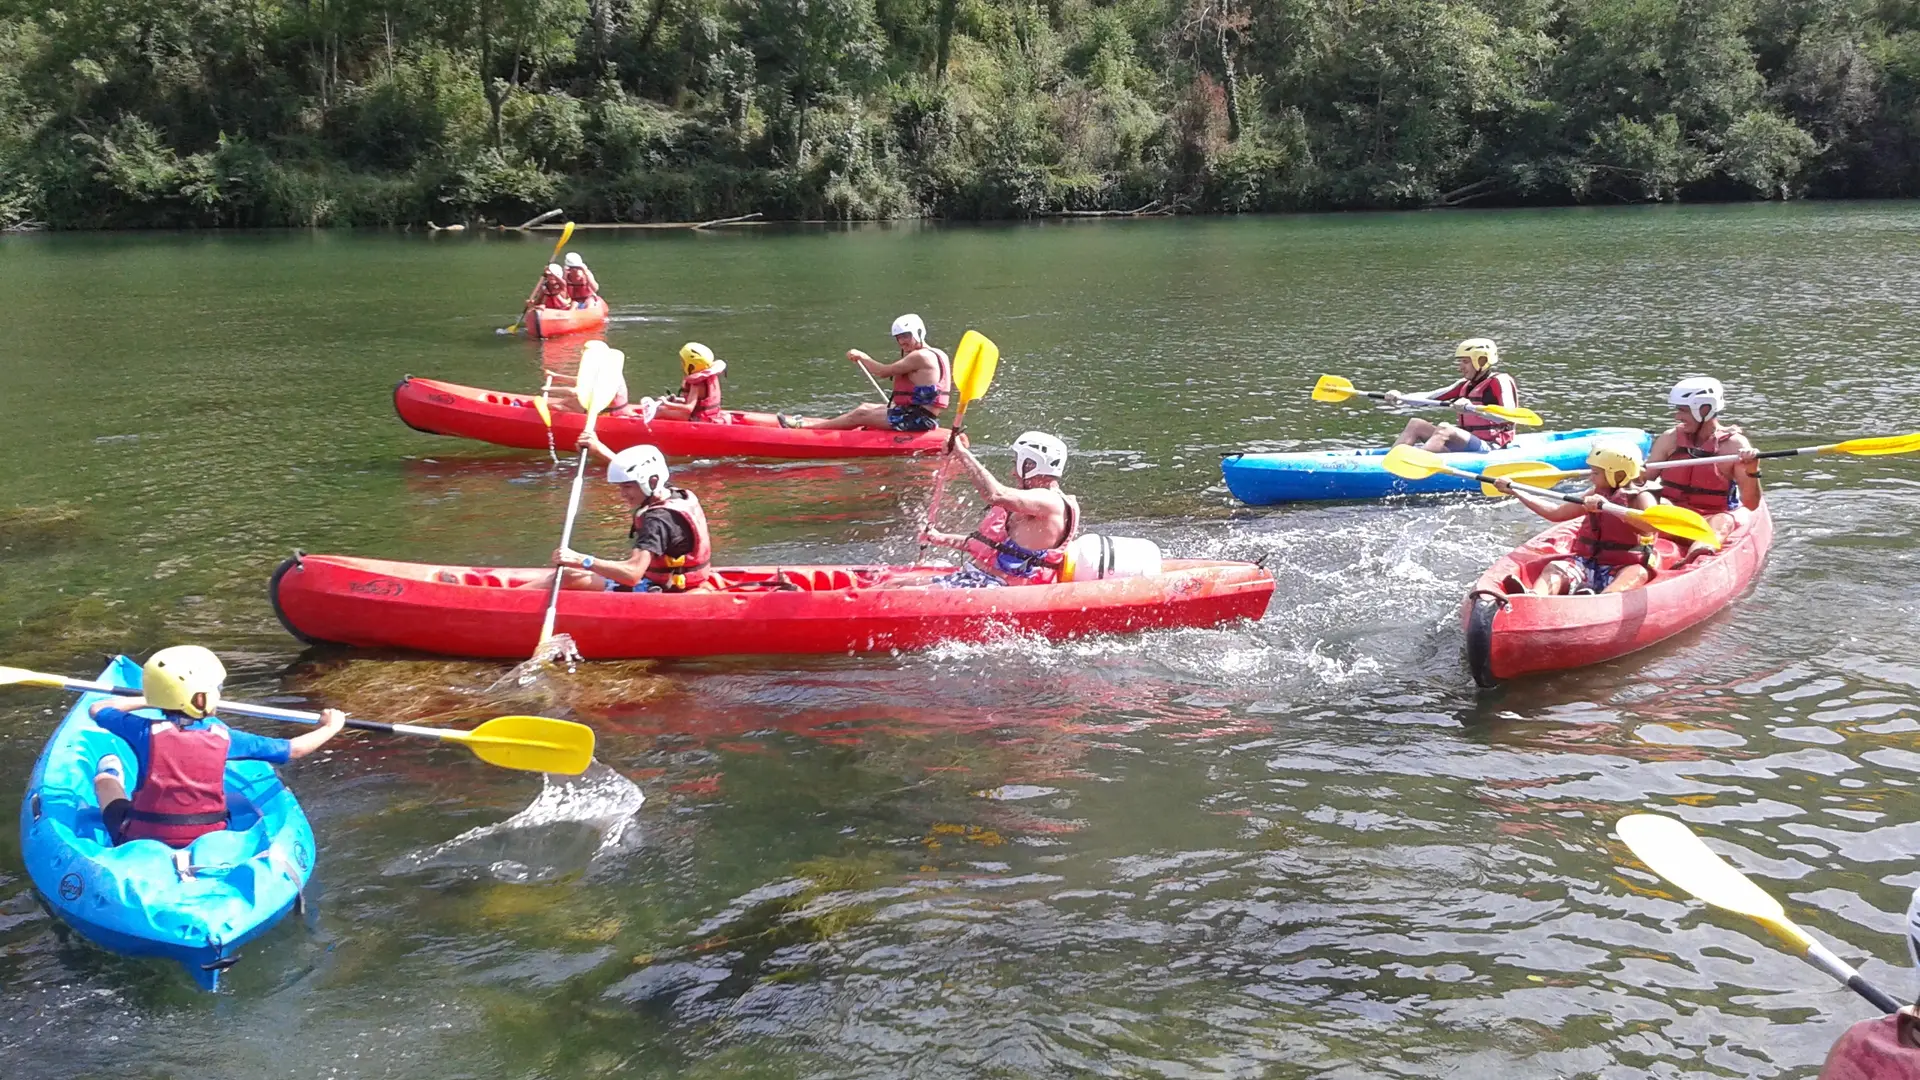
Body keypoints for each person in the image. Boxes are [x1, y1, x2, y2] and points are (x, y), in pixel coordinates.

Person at [88, 646, 347, 849]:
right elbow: (294, 750)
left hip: (138, 837)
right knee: (233, 799)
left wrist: (147, 700)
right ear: (203, 698)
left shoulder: (143, 731)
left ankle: (111, 771)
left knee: (103, 781)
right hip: (210, 835)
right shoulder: (226, 737)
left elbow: (98, 709)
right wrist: (330, 727)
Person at [542, 436, 716, 593]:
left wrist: (582, 560)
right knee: (571, 575)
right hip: (686, 583)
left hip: (663, 591)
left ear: (650, 481)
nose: (622, 494)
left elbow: (632, 575)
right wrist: (599, 449)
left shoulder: (656, 520)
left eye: (626, 487)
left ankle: (514, 602)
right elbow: (636, 473)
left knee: (567, 577)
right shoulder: (671, 493)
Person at [1490, 442, 1661, 595]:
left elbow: (1650, 526)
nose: (1590, 477)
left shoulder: (1641, 497)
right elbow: (1556, 513)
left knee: (1637, 573)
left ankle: (1599, 602)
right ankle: (1534, 596)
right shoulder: (1596, 493)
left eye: (1595, 473)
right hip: (1586, 563)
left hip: (1623, 567)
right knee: (1555, 569)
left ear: (1617, 475)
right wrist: (1517, 491)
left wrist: (1612, 509)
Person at [920, 432, 1079, 588]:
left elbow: (995, 494)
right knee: (896, 584)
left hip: (997, 588)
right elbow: (987, 546)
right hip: (977, 578)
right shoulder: (1032, 501)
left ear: (1031, 464)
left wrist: (961, 452)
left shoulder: (1050, 501)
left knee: (903, 593)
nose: (1013, 472)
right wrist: (938, 537)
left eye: (1016, 463)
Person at [779, 314, 950, 432]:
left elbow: (883, 372)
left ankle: (805, 430)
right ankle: (816, 425)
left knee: (860, 414)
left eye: (906, 335)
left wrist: (862, 356)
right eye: (898, 337)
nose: (902, 341)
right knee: (865, 407)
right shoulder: (937, 353)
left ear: (919, 332)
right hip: (916, 415)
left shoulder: (920, 356)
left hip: (916, 421)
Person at [1649, 375, 1762, 551]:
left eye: (1683, 410)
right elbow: (1641, 480)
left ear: (1704, 409)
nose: (1677, 416)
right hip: (1672, 516)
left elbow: (1751, 503)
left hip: (1709, 520)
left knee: (1722, 520)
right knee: (1656, 503)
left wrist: (1752, 470)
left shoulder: (1734, 446)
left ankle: (1699, 554)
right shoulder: (1669, 438)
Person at [1386, 337, 1520, 452]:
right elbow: (1430, 397)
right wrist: (1401, 397)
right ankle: (1390, 463)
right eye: (1460, 361)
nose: (1460, 367)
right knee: (1416, 424)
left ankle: (1414, 465)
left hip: (1493, 446)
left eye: (1465, 362)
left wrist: (1475, 410)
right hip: (1468, 442)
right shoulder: (1465, 384)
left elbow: (1508, 415)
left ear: (1482, 361)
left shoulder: (1500, 381)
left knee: (1445, 428)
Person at [650, 342, 730, 424]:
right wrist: (675, 400)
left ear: (691, 365)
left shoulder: (697, 384)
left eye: (683, 362)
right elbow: (697, 402)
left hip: (700, 420)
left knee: (660, 411)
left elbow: (689, 408)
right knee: (668, 407)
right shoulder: (710, 377)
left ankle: (648, 427)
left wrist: (667, 404)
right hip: (712, 415)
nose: (681, 364)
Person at [543, 340, 629, 411]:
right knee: (569, 401)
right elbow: (582, 380)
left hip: (611, 410)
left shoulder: (605, 373)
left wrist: (548, 389)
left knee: (556, 407)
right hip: (611, 406)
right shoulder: (603, 366)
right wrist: (556, 376)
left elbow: (575, 392)